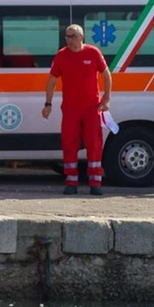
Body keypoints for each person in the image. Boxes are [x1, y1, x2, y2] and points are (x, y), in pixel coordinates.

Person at [43, 24, 112, 196]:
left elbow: (106, 74)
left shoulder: (93, 52)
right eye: (67, 36)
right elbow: (52, 80)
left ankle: (95, 183)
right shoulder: (62, 55)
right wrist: (48, 103)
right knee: (69, 144)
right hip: (70, 109)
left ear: (81, 37)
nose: (69, 39)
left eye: (72, 36)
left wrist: (107, 98)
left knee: (94, 145)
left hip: (91, 109)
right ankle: (71, 182)